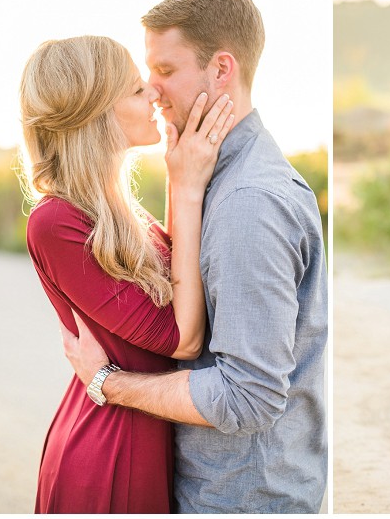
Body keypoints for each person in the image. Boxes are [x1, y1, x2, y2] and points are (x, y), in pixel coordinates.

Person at [59, 0, 328, 513]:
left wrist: (107, 383)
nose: (151, 90)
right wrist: (180, 184)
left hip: (241, 497)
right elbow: (178, 287)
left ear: (221, 69)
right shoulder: (213, 178)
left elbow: (247, 396)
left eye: (165, 70)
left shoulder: (250, 202)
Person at [19, 35, 235, 512]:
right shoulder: (57, 221)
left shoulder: (117, 213)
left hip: (147, 429)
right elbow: (183, 338)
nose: (154, 94)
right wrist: (188, 188)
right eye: (138, 90)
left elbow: (179, 266)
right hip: (111, 452)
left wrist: (180, 180)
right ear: (98, 112)